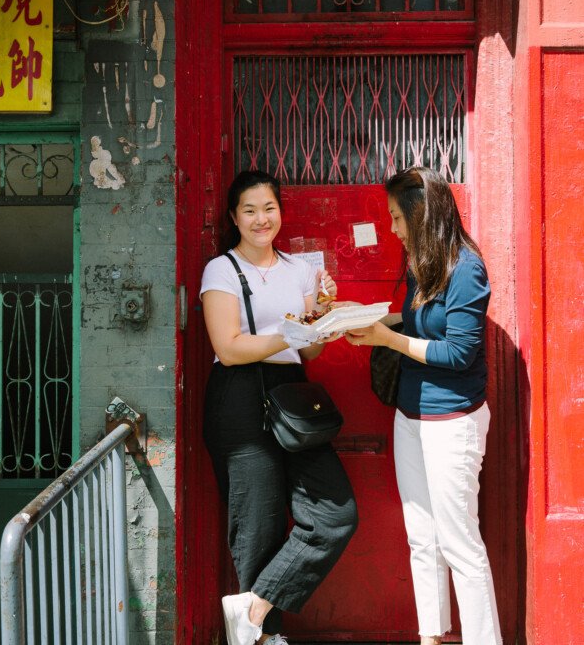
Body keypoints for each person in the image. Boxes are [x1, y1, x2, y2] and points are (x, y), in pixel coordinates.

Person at [344, 167, 502, 645]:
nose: (391, 228)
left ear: (420, 214)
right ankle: (431, 637)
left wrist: (388, 340)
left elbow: (457, 353)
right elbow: (417, 322)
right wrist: (362, 319)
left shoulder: (466, 269)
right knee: (421, 537)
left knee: (460, 544)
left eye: (396, 217)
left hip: (451, 421)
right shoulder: (421, 261)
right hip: (410, 416)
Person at [200, 170, 358, 645]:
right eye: (249, 210)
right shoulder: (222, 269)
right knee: (258, 522)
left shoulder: (300, 271)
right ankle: (266, 637)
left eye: (268, 208)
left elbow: (307, 352)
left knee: (336, 514)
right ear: (234, 217)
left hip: (292, 393)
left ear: (280, 213)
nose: (260, 219)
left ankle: (252, 610)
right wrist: (289, 334)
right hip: (238, 396)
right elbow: (228, 348)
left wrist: (324, 319)